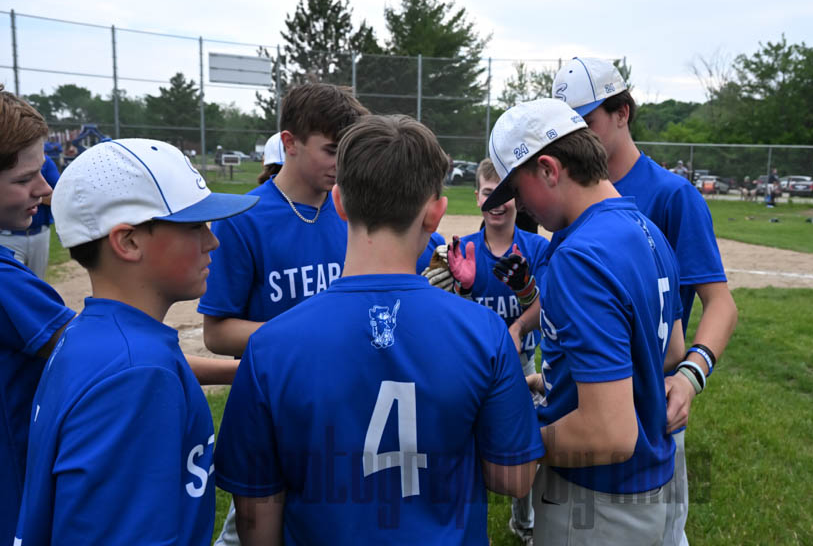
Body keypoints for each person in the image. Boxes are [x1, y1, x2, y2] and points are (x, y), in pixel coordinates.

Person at [214, 115, 543, 545]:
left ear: (338, 203)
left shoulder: (270, 345)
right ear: (435, 214)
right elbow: (513, 478)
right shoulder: (484, 332)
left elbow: (256, 521)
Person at [15, 138, 258, 545]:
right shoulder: (136, 372)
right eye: (194, 226)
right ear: (127, 242)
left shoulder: (92, 336)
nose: (212, 241)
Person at [482, 98, 688, 545]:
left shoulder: (579, 255)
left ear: (549, 170)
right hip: (650, 490)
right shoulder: (647, 229)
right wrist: (554, 381)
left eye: (518, 189)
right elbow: (669, 352)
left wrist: (512, 442)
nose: (522, 206)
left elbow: (608, 433)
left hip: (596, 502)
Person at [553, 59, 737, 545]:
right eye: (566, 125)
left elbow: (720, 303)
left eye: (586, 121)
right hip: (587, 399)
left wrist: (691, 375)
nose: (575, 137)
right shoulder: (568, 193)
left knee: (661, 532)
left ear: (623, 113)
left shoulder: (671, 194)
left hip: (653, 403)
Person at [200, 83, 368, 545]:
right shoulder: (245, 220)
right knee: (253, 527)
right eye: (331, 150)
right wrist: (301, 334)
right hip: (273, 407)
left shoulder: (352, 213)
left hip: (341, 401)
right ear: (290, 143)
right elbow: (217, 332)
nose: (341, 164)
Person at [446, 158, 550, 544]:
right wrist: (463, 289)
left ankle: (525, 524)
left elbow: (547, 307)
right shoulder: (462, 249)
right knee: (467, 445)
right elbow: (452, 316)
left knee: (525, 446)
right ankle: (468, 525)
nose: (496, 203)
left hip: (521, 363)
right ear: (477, 197)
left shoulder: (536, 248)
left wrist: (519, 322)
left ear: (517, 200)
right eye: (489, 193)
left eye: (504, 194)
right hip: (472, 364)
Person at [0, 88, 75, 544]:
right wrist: (239, 370)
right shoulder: (7, 285)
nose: (45, 188)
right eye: (26, 178)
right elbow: (104, 358)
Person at [0, 154, 59, 279]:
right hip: (7, 236)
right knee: (11, 281)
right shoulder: (5, 158)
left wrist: (31, 195)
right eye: (23, 180)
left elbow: (58, 196)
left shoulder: (45, 161)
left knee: (37, 280)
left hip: (40, 234)